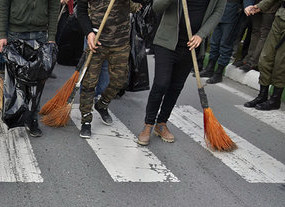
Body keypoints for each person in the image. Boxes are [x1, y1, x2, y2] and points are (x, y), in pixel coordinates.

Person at [136, 0, 226, 145]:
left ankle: (162, 123)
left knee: (176, 87)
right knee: (161, 83)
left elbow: (217, 12)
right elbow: (156, 7)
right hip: (167, 41)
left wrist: (201, 35)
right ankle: (148, 125)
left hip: (191, 45)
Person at [76, 0, 143, 138]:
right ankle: (86, 120)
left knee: (120, 80)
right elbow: (81, 11)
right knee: (89, 83)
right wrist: (88, 33)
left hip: (120, 43)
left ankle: (102, 104)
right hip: (97, 41)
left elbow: (142, 2)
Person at [0, 0, 60, 137]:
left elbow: (54, 6)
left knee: (36, 83)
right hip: (15, 34)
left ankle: (32, 120)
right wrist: (2, 34)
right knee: (15, 81)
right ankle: (15, 115)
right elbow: (3, 5)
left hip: (41, 35)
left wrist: (51, 36)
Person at [243, 0, 285, 110]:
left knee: (282, 62)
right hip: (280, 16)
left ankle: (275, 100)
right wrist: (259, 7)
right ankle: (262, 95)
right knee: (265, 57)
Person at [199, 0, 243, 84]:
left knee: (225, 44)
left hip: (233, 11)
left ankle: (218, 73)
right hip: (221, 10)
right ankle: (209, 69)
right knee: (214, 42)